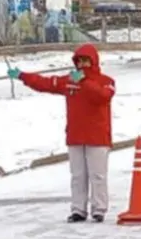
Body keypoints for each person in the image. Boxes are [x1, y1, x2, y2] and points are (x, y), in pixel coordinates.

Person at [8, 44, 116, 222]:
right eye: (79, 61)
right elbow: (46, 83)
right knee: (78, 176)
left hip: (97, 137)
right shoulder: (69, 81)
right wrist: (22, 76)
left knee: (98, 175)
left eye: (85, 61)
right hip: (75, 136)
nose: (82, 65)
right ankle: (78, 210)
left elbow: (102, 97)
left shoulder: (106, 81)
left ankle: (99, 209)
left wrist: (84, 81)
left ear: (94, 61)